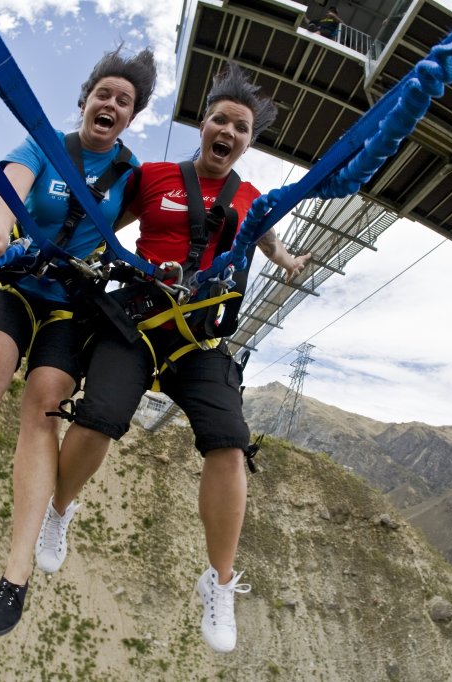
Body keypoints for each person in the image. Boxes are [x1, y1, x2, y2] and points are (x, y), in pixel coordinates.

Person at [34, 63, 310, 653]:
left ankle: (219, 579)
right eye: (220, 119)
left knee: (230, 444)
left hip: (200, 335)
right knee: (99, 416)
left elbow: (265, 236)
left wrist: (285, 258)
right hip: (139, 316)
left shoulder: (252, 198)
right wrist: (56, 243)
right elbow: (110, 219)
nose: (228, 131)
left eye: (241, 127)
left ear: (247, 141)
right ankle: (59, 509)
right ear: (203, 125)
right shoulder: (154, 176)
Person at [0, 46, 158, 639]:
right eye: (105, 94)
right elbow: (9, 190)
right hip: (18, 281)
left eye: (124, 101)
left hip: (71, 302)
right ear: (86, 100)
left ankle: (16, 574)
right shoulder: (46, 146)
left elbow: (152, 223)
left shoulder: (131, 176)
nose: (112, 104)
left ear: (131, 116)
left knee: (44, 402)